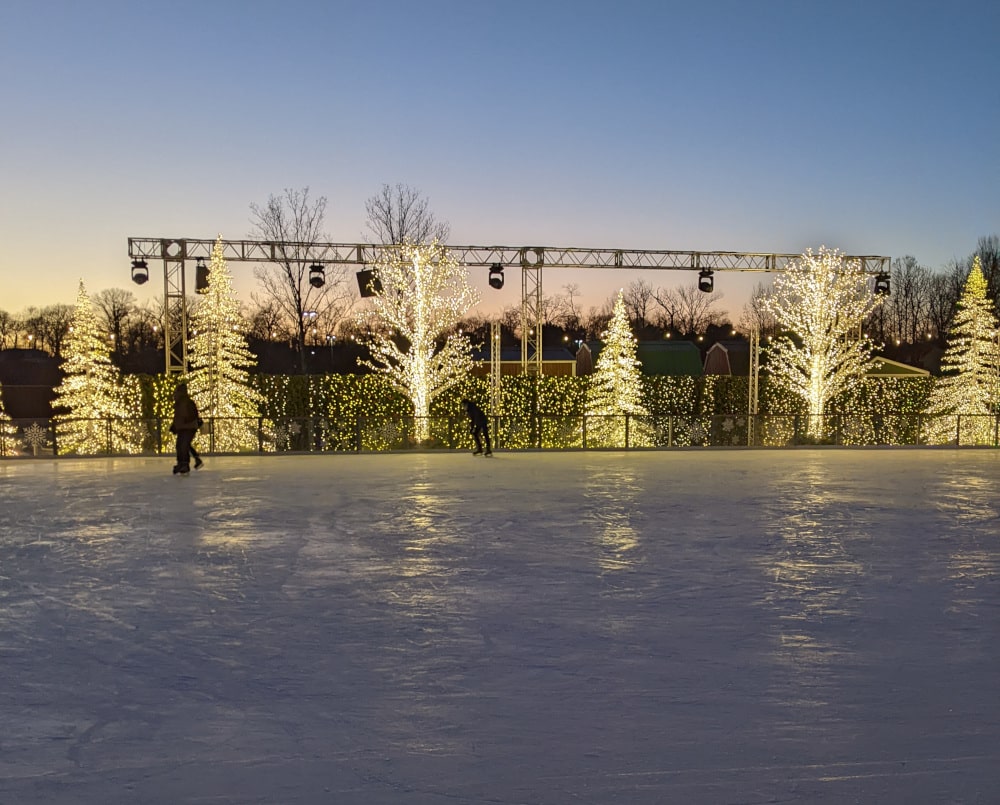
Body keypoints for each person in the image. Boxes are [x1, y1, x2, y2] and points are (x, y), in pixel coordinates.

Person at [170, 382, 203, 474]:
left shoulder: (187, 403)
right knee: (180, 445)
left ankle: (184, 463)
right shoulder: (179, 403)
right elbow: (178, 417)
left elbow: (193, 414)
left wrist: (187, 422)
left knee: (183, 445)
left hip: (189, 427)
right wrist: (175, 425)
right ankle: (182, 462)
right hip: (183, 427)